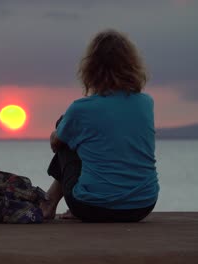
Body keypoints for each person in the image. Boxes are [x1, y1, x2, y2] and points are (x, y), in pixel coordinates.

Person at [40, 29, 159, 222]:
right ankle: (52, 201)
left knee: (65, 126)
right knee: (82, 134)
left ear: (91, 68)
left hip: (90, 206)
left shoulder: (81, 109)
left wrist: (59, 133)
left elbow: (56, 144)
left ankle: (49, 202)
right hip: (142, 205)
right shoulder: (146, 103)